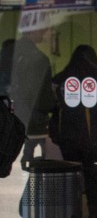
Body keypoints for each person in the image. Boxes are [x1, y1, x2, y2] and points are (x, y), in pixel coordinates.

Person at [49, 45, 97, 218]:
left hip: (67, 135)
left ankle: (71, 215)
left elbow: (52, 106)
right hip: (89, 135)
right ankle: (93, 213)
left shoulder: (61, 78)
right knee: (90, 173)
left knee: (71, 174)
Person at [9, 24, 56, 168]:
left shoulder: (10, 53)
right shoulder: (38, 58)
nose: (45, 32)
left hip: (13, 111)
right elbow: (38, 93)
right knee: (39, 144)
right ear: (32, 31)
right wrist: (52, 106)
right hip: (33, 114)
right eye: (42, 29)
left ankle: (26, 159)